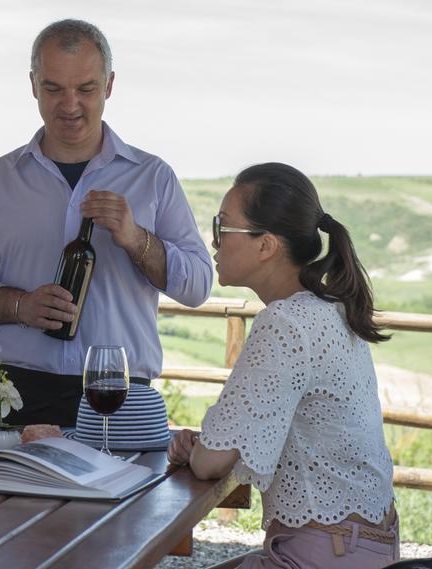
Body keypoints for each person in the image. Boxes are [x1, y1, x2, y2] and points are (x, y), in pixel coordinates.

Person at [0, 19, 212, 427]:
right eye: (53, 88)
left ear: (109, 85)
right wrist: (21, 306)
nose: (69, 105)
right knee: (9, 496)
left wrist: (136, 239)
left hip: (122, 394)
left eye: (85, 89)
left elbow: (197, 286)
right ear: (33, 85)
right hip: (20, 393)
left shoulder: (154, 177)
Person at [168, 163, 398, 568]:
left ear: (266, 245)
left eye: (223, 227)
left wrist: (199, 449)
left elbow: (210, 463)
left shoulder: (286, 322)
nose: (214, 241)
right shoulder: (330, 307)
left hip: (326, 553)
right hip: (366, 545)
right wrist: (211, 446)